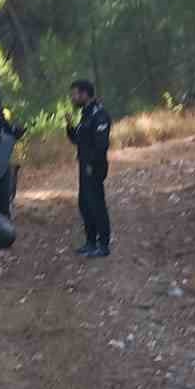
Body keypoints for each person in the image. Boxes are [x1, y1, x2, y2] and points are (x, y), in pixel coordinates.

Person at [66, 78, 111, 258]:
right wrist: (70, 126)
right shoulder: (86, 114)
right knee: (85, 204)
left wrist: (92, 165)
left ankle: (103, 245)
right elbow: (78, 139)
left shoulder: (99, 115)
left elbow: (101, 145)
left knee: (97, 204)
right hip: (84, 166)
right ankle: (90, 242)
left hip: (95, 166)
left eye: (75, 94)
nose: (72, 98)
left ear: (85, 94)